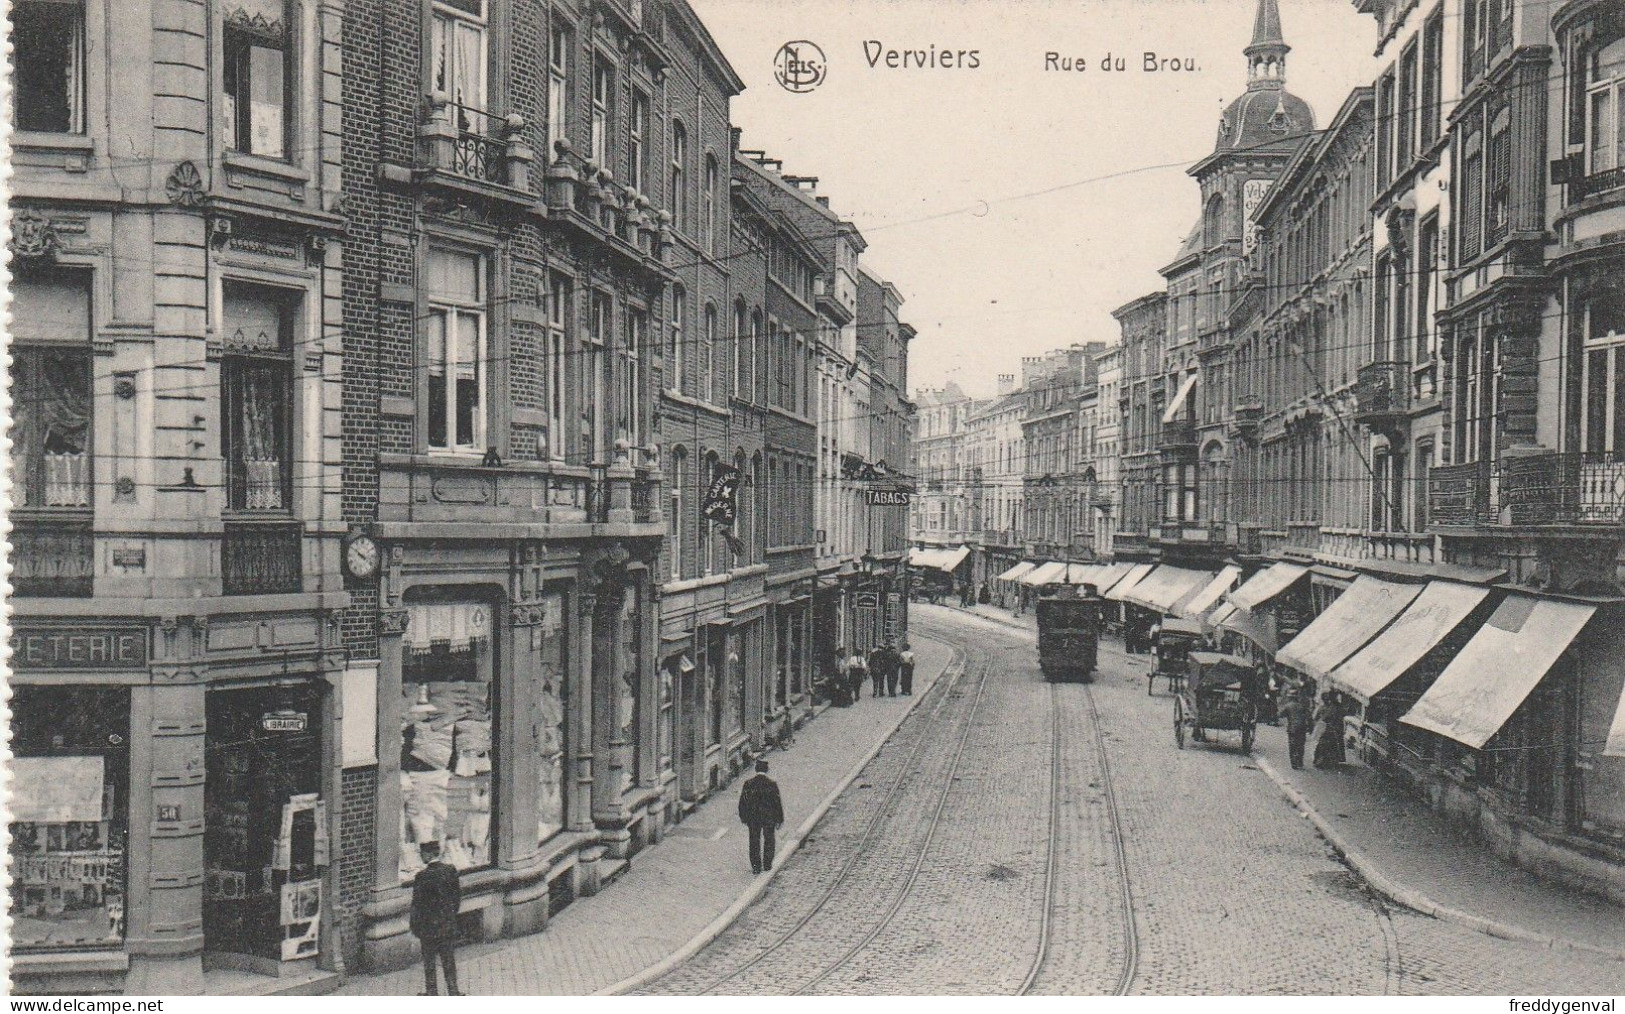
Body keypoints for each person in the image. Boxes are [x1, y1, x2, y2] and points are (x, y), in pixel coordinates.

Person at [409, 841, 463, 996]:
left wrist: (415, 927)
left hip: (428, 928)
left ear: (428, 854)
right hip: (447, 924)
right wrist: (450, 917)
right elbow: (457, 898)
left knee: (429, 962)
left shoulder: (422, 877)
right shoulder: (450, 871)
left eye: (422, 854)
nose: (421, 857)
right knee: (448, 959)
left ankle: (432, 992)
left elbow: (417, 905)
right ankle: (453, 991)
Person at [738, 759, 784, 874]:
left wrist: (743, 817)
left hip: (753, 817)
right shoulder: (771, 784)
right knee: (769, 839)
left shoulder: (748, 783)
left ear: (756, 769)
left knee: (754, 841)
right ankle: (767, 864)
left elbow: (742, 802)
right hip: (768, 817)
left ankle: (756, 866)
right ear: (767, 770)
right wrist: (779, 819)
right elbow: (777, 803)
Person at [1279, 682, 1311, 770]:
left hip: (1292, 729)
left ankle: (1294, 763)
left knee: (1292, 745)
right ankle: (1300, 761)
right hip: (1302, 728)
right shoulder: (1302, 706)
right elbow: (1308, 716)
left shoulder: (1288, 706)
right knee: (1301, 745)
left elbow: (1280, 715)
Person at [1313, 692, 1346, 769]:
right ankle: (1331, 761)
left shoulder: (1321, 708)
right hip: (1332, 728)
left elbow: (1315, 718)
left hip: (1323, 728)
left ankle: (1319, 761)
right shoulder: (1334, 708)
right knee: (1332, 745)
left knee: (1321, 745)